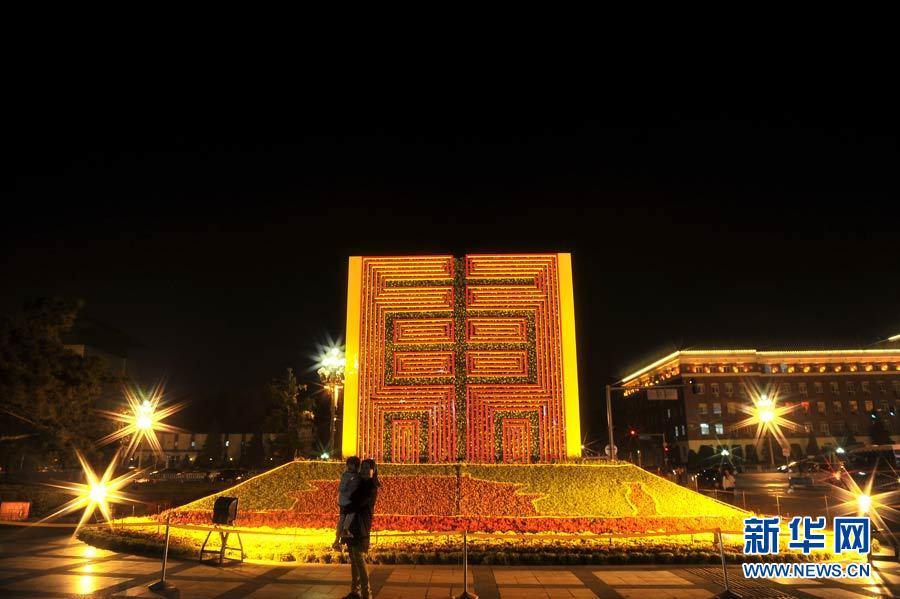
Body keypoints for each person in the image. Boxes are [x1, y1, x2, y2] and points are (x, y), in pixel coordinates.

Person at [341, 458, 380, 599]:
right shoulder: (358, 483)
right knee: (353, 558)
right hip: (352, 525)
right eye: (362, 468)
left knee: (359, 558)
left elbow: (359, 503)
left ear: (373, 471)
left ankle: (366, 593)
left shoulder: (371, 486)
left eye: (367, 468)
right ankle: (355, 591)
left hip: (361, 526)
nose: (363, 470)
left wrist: (347, 504)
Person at [332, 456, 361, 551]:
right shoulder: (346, 475)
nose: (349, 466)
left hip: (345, 500)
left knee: (342, 518)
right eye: (349, 464)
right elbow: (341, 488)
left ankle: (336, 541)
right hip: (346, 500)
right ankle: (345, 530)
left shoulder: (356, 475)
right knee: (351, 512)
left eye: (352, 464)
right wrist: (348, 483)